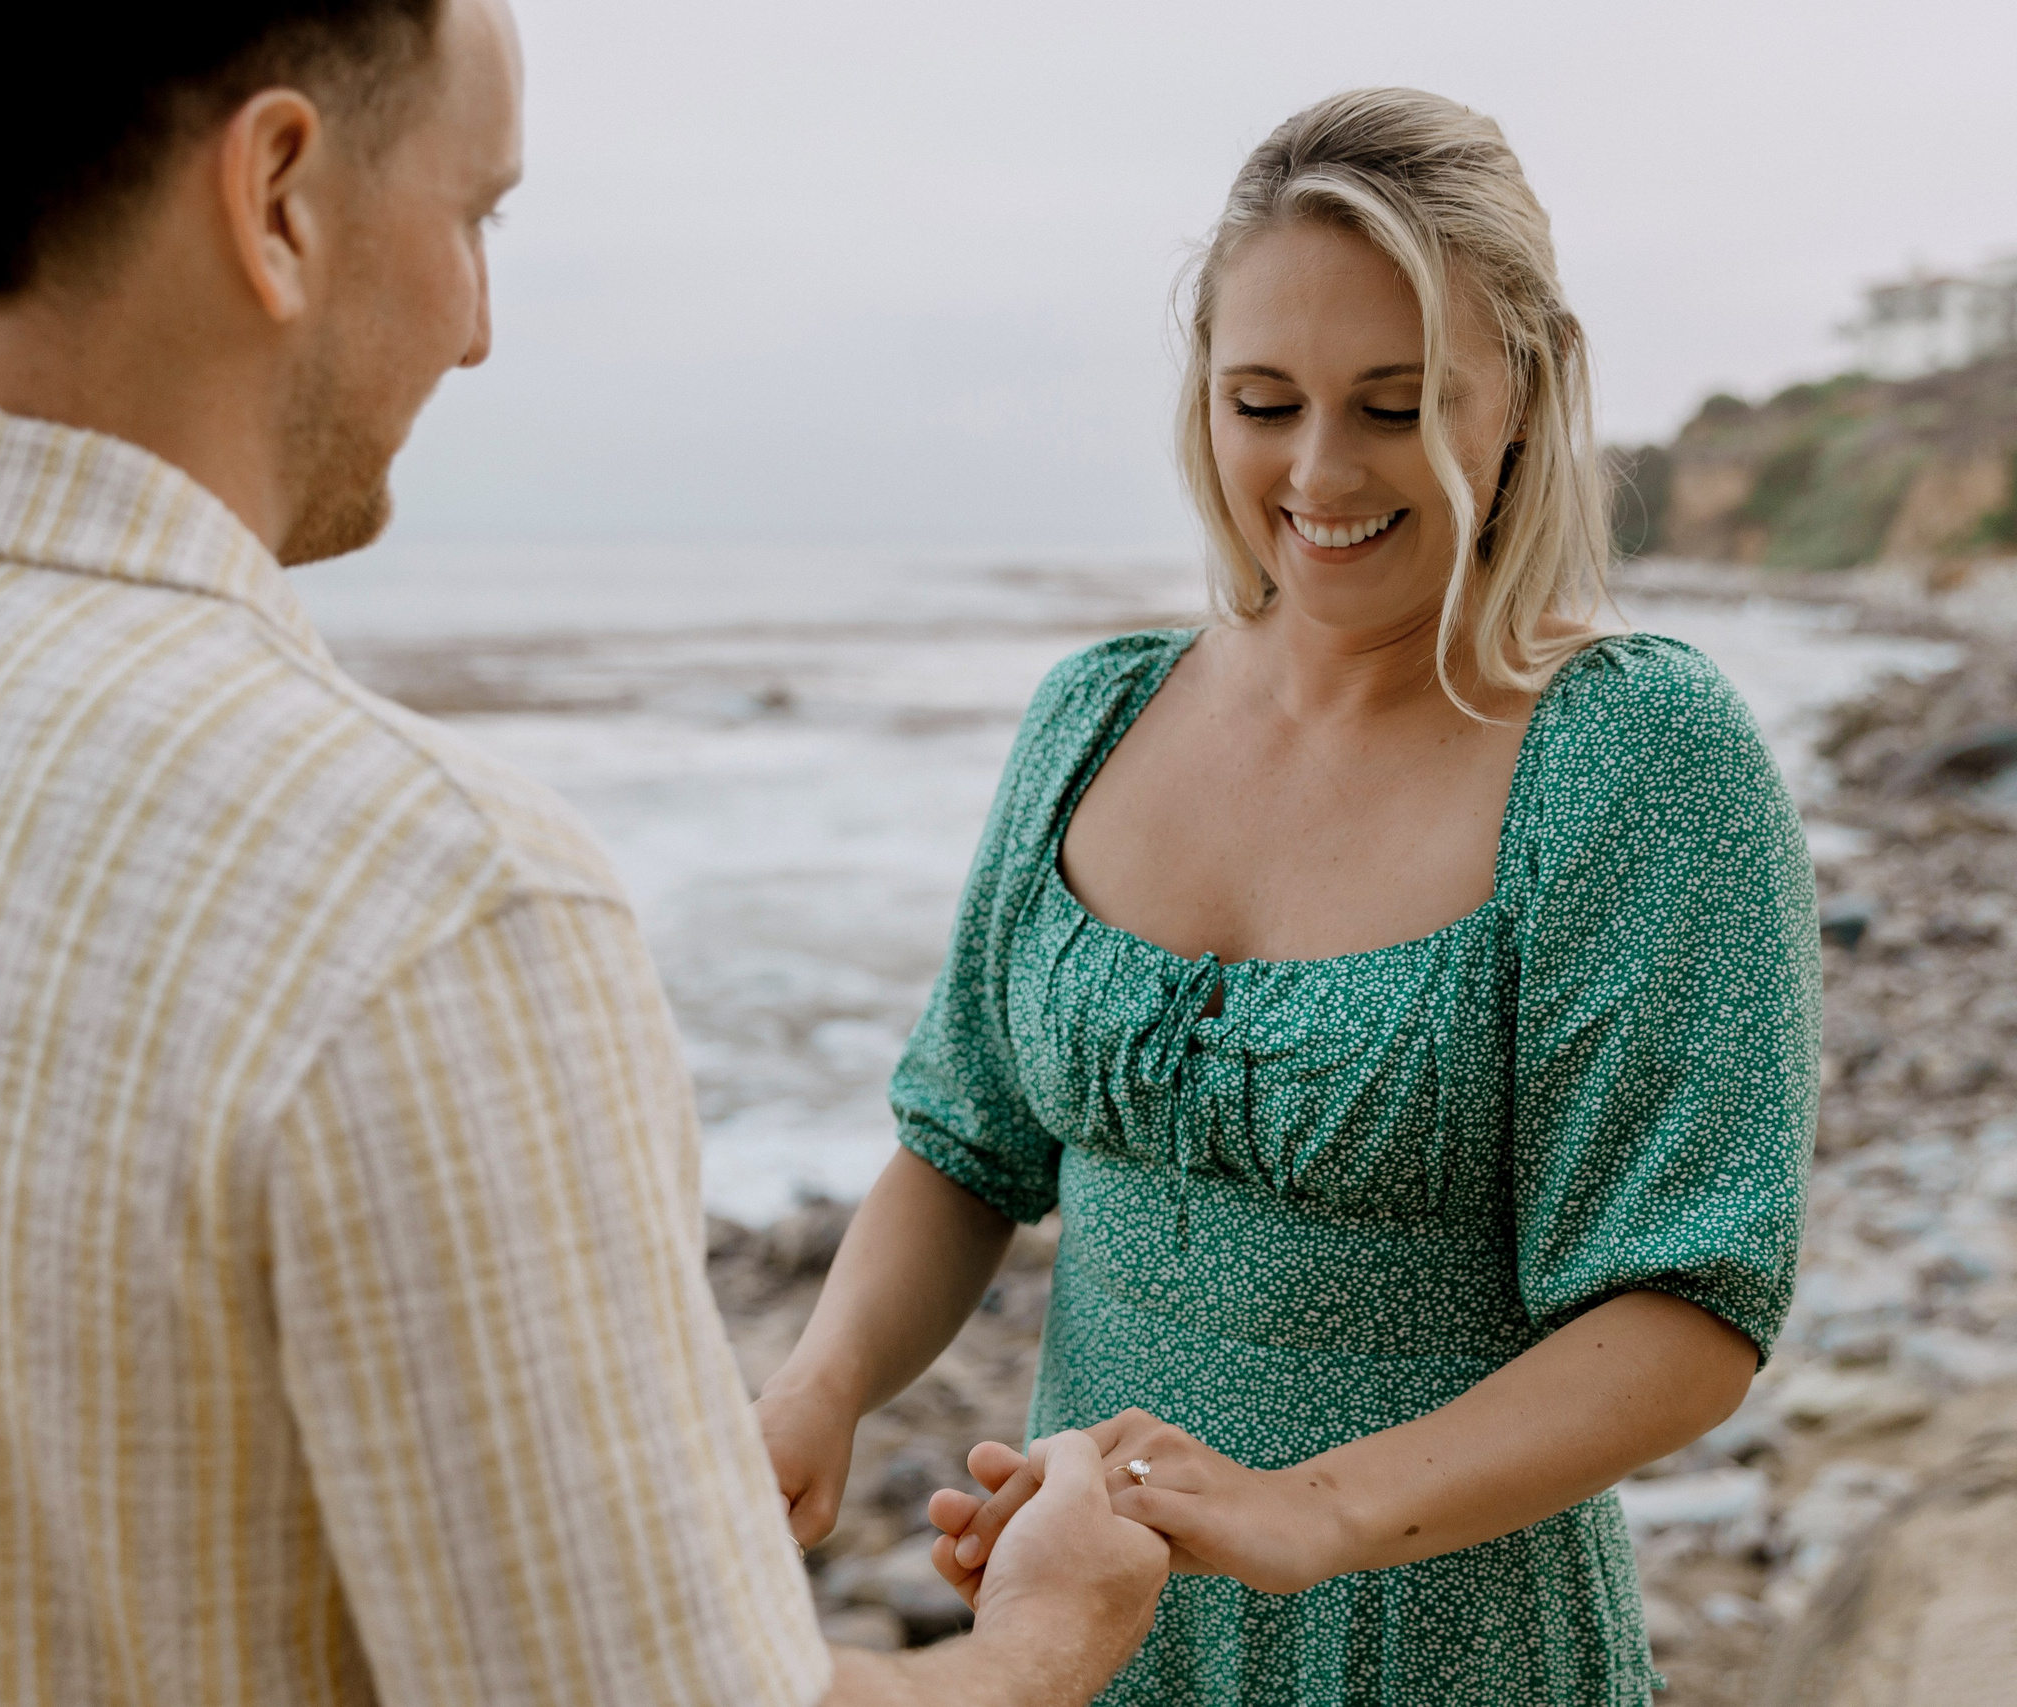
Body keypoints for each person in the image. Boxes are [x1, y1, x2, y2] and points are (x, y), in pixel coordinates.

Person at [0, 3, 1172, 1702]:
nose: (474, 327)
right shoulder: (429, 897)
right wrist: (1045, 1636)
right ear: (281, 196)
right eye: (477, 216)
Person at [753, 87, 1821, 1705]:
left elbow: (1689, 1311)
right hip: (1087, 1621)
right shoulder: (1092, 717)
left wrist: (1310, 1511)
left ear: (1519, 394)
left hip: (1439, 1641)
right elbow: (964, 1144)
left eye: (1395, 406)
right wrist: (820, 1386)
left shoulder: (1637, 756)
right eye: (1264, 401)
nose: (1320, 471)